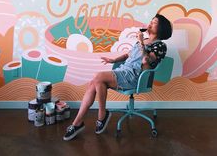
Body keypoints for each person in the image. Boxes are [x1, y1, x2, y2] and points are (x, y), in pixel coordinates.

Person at [63, 13, 173, 141]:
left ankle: (101, 115)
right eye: (151, 20)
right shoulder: (142, 41)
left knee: (97, 77)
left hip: (134, 77)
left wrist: (141, 43)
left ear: (161, 28)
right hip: (124, 71)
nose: (150, 23)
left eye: (154, 22)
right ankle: (77, 123)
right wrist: (112, 60)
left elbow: (146, 61)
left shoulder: (160, 46)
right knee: (95, 82)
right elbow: (128, 55)